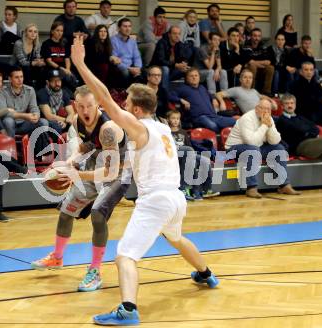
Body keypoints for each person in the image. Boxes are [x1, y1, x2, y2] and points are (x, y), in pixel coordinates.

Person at [71, 35, 218, 326]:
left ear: (137, 110)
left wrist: (80, 63)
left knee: (125, 256)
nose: (122, 106)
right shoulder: (162, 128)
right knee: (175, 238)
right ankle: (205, 274)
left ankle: (128, 309)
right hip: (176, 200)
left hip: (155, 201)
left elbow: (105, 101)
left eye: (127, 104)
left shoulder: (139, 128)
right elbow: (131, 164)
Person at [31, 85, 129, 293]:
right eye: (81, 106)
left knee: (97, 214)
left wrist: (76, 174)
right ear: (75, 105)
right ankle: (57, 257)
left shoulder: (108, 129)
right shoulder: (77, 120)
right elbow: (86, 146)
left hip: (118, 173)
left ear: (98, 105)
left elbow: (110, 173)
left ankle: (95, 271)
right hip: (95, 166)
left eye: (90, 106)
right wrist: (71, 161)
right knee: (66, 210)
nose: (85, 111)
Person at [225, 98, 300, 198]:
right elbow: (251, 142)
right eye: (263, 108)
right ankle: (251, 188)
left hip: (256, 148)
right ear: (256, 108)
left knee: (279, 148)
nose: (266, 111)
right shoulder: (247, 118)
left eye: (268, 109)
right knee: (253, 150)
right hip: (233, 149)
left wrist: (269, 127)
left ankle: (284, 185)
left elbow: (275, 141)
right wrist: (264, 126)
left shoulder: (269, 118)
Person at [276, 94, 322, 193]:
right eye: (287, 103)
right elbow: (298, 130)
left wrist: (306, 132)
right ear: (282, 106)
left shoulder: (300, 117)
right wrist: (307, 132)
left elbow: (314, 128)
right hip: (300, 147)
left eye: (292, 103)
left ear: (295, 104)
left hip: (312, 145)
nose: (290, 105)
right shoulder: (282, 120)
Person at [167, 110, 220, 200]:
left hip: (189, 154)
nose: (176, 121)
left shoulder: (183, 132)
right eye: (173, 118)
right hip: (176, 156)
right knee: (191, 160)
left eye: (177, 118)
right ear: (168, 119)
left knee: (205, 160)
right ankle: (190, 190)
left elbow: (190, 147)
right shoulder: (166, 132)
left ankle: (206, 190)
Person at [169, 68, 236, 132]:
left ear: (199, 77)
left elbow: (210, 94)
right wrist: (181, 100)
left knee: (235, 122)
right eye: (191, 76)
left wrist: (213, 98)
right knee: (213, 126)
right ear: (186, 78)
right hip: (198, 118)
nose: (194, 77)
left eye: (196, 75)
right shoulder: (182, 88)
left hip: (213, 116)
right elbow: (170, 95)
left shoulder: (202, 87)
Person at [0, 66, 48, 137]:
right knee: (8, 121)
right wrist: (24, 116)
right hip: (10, 124)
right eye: (16, 77)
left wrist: (36, 115)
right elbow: (2, 113)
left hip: (25, 123)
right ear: (10, 79)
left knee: (43, 122)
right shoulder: (2, 91)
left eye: (21, 77)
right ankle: (11, 146)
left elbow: (34, 108)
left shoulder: (30, 90)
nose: (20, 80)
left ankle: (40, 147)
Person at [289, 62, 322, 130]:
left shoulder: (314, 83)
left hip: (318, 109)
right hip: (306, 114)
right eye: (306, 70)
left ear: (314, 72)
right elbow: (304, 103)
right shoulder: (295, 85)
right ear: (301, 72)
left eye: (311, 70)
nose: (309, 72)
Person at [37, 69, 75, 137]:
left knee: (75, 125)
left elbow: (71, 112)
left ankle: (73, 146)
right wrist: (66, 120)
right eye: (54, 81)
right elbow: (49, 116)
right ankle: (56, 147)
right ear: (47, 82)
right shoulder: (42, 93)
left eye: (59, 80)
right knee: (56, 126)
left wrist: (67, 121)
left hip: (59, 120)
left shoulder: (64, 93)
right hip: (44, 121)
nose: (57, 83)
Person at [41, 21, 77, 90]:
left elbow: (67, 58)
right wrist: (62, 69)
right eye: (57, 30)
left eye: (61, 31)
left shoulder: (64, 43)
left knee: (72, 77)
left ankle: (72, 97)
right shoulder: (46, 44)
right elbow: (49, 61)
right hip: (52, 68)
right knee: (64, 77)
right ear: (52, 31)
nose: (60, 33)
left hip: (63, 69)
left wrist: (68, 69)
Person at [11, 23, 46, 89]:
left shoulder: (37, 44)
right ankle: (28, 90)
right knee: (26, 69)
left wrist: (40, 61)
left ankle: (38, 91)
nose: (33, 33)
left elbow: (37, 57)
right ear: (26, 33)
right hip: (17, 66)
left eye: (35, 32)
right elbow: (22, 62)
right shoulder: (19, 44)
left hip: (30, 66)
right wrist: (35, 63)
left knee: (42, 69)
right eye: (30, 31)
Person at [110, 18, 142, 87]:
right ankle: (125, 94)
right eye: (125, 26)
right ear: (119, 28)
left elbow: (137, 57)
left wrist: (137, 67)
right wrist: (129, 68)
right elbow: (115, 61)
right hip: (120, 67)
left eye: (129, 26)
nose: (128, 29)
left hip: (132, 66)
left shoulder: (132, 41)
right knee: (125, 72)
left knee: (145, 72)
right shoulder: (113, 40)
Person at [243, 28, 274, 96]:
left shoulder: (263, 45)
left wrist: (256, 62)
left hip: (260, 68)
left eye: (259, 36)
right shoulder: (246, 45)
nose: (257, 38)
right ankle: (251, 90)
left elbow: (268, 61)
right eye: (255, 36)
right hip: (248, 68)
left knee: (270, 68)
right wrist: (262, 62)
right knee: (253, 66)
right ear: (251, 36)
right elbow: (250, 61)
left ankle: (266, 91)